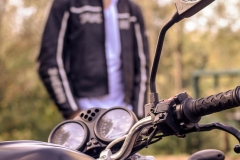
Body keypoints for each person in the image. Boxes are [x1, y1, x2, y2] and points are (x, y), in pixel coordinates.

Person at [37, 0, 149, 120]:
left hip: (126, 118)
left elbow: (142, 65)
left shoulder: (132, 10)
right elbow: (50, 61)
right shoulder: (67, 4)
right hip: (83, 117)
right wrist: (72, 112)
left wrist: (138, 113)